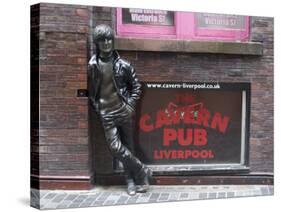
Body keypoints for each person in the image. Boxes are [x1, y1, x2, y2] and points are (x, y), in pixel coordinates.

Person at [88, 24, 152, 196]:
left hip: (123, 111)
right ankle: (142, 169)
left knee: (129, 148)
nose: (107, 42)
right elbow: (92, 91)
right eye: (103, 40)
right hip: (106, 113)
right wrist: (98, 107)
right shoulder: (93, 65)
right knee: (115, 148)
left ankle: (133, 181)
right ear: (97, 42)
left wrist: (130, 105)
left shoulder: (123, 65)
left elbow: (136, 87)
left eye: (109, 39)